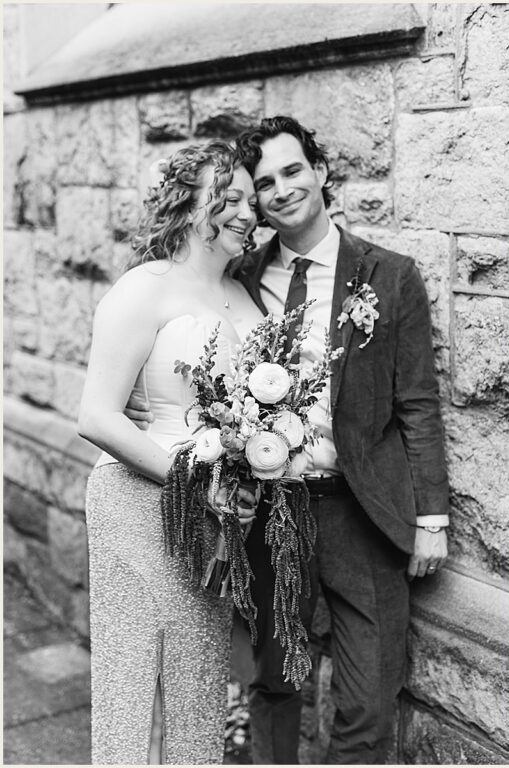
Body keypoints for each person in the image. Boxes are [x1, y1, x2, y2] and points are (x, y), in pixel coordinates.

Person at [231, 116, 451, 764]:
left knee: (368, 693)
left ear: (322, 172)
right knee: (274, 678)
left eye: (293, 170)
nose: (282, 189)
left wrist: (431, 518)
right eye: (266, 182)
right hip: (271, 514)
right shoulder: (240, 280)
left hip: (364, 512)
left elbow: (418, 401)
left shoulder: (390, 276)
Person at [78, 141, 262, 764]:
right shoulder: (144, 287)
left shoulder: (247, 300)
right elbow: (97, 415)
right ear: (188, 204)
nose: (247, 211)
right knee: (129, 688)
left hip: (214, 516)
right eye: (229, 197)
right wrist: (192, 479)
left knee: (200, 692)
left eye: (250, 199)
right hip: (134, 500)